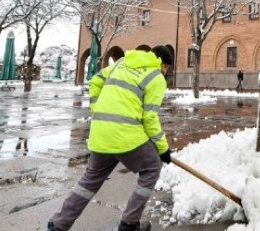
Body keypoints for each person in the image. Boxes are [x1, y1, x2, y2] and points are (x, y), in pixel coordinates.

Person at [47, 45, 173, 231]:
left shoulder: (122, 62)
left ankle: (58, 224)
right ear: (162, 63)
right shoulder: (156, 77)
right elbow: (150, 118)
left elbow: (95, 81)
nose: (166, 72)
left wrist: (96, 109)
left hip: (100, 133)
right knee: (152, 168)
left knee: (90, 180)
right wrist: (163, 149)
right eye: (167, 68)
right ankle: (129, 224)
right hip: (126, 135)